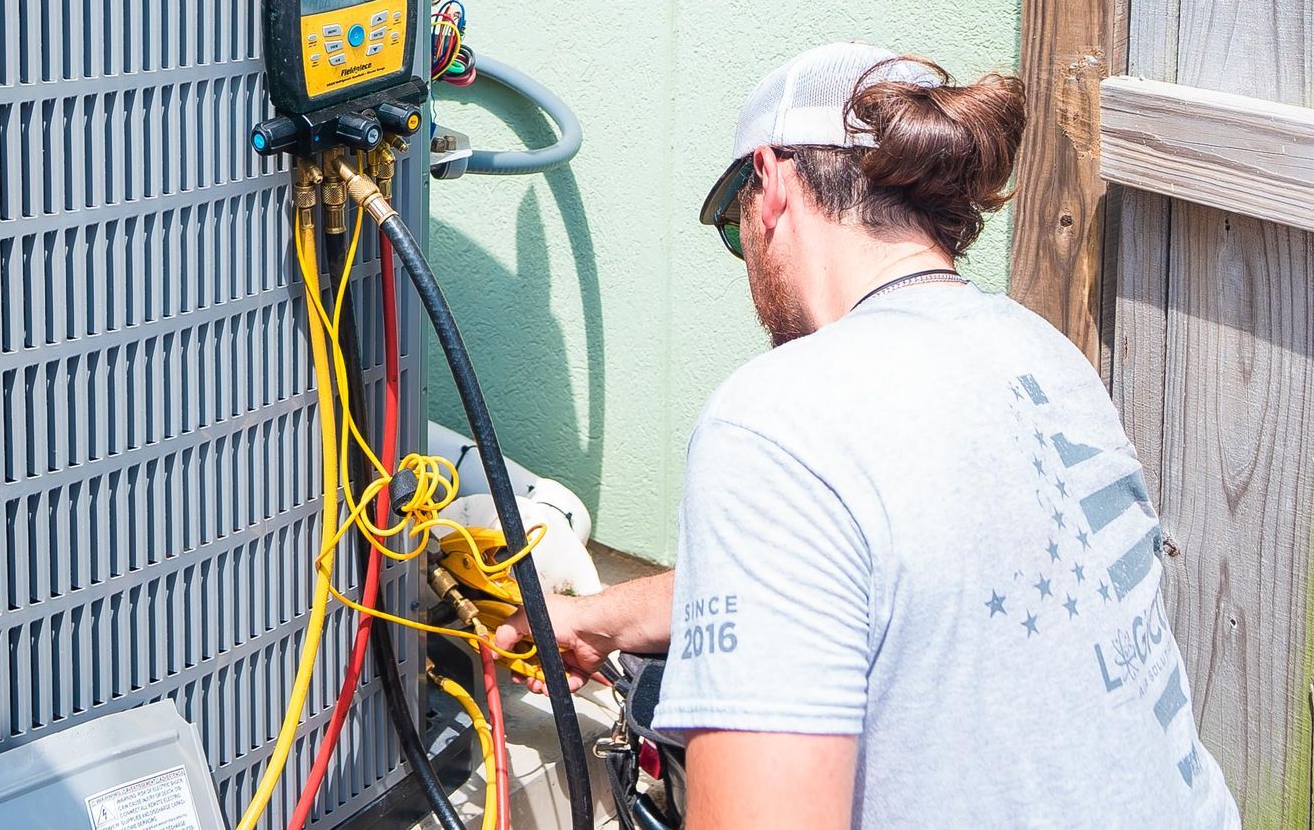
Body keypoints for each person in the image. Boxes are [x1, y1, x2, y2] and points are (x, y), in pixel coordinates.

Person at [495, 42, 1238, 830]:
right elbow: (877, 570)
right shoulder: (1045, 355)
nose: (742, 249)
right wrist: (598, 614)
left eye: (731, 223)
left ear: (771, 184)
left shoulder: (779, 418)